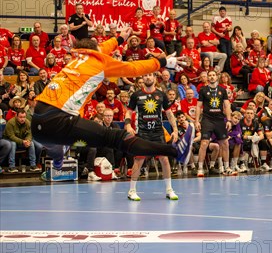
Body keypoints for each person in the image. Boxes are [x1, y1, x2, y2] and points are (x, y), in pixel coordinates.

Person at [31, 30, 194, 181]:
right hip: (59, 118)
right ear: (96, 50)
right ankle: (175, 151)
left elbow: (101, 47)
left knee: (56, 141)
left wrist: (119, 38)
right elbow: (133, 68)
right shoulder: (100, 64)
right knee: (116, 138)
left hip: (37, 123)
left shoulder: (76, 58)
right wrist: (162, 61)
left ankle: (58, 157)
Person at [125, 73, 182, 201]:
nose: (148, 78)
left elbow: (169, 113)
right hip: (142, 132)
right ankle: (132, 190)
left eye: (150, 75)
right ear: (142, 79)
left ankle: (169, 190)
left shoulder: (161, 95)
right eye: (145, 76)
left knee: (164, 159)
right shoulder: (136, 95)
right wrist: (128, 125)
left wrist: (175, 129)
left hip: (158, 132)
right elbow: (128, 111)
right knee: (138, 160)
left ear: (155, 78)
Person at [196, 70, 236, 177]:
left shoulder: (222, 90)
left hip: (219, 120)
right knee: (204, 143)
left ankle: (227, 168)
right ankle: (200, 168)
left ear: (216, 77)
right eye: (210, 75)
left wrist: (228, 120)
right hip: (207, 119)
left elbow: (227, 106)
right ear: (208, 78)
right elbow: (198, 106)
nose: (212, 77)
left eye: (213, 75)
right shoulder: (203, 90)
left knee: (225, 143)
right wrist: (196, 121)